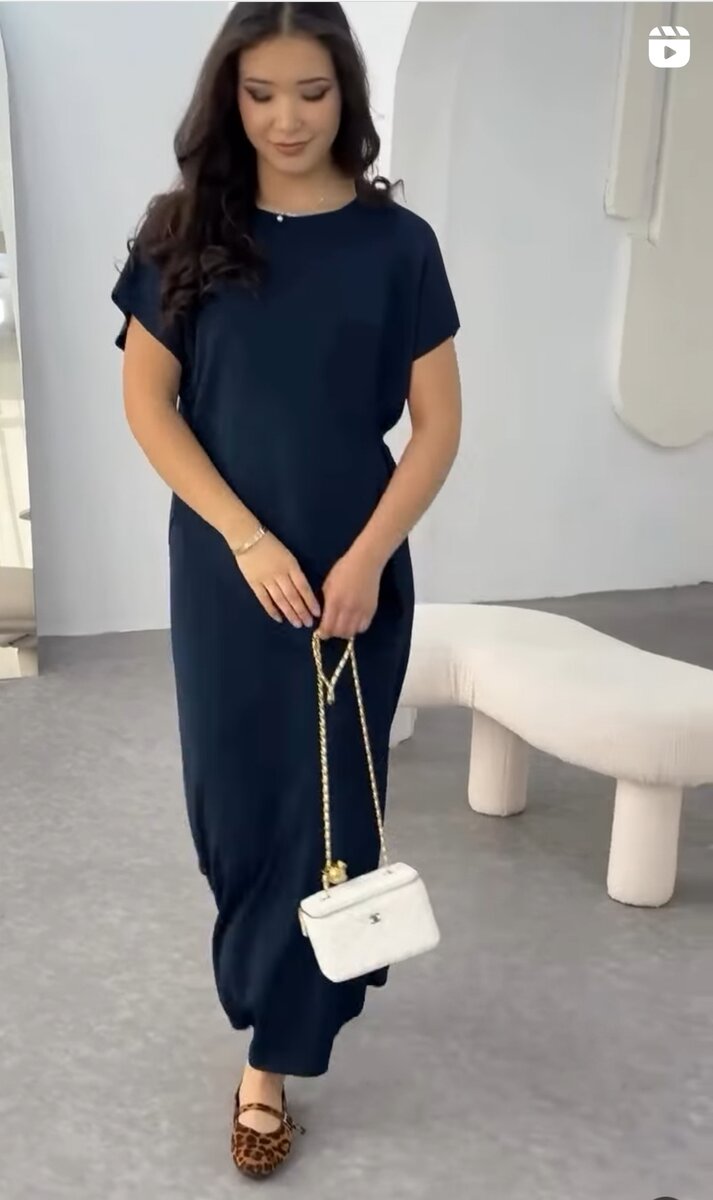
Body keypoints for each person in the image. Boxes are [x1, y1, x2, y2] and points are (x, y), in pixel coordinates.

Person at [111, 0, 461, 1179]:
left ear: (344, 94)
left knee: (328, 819)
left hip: (354, 576)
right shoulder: (178, 234)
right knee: (236, 811)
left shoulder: (396, 244)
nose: (286, 117)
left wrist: (364, 559)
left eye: (310, 92)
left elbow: (435, 427)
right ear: (230, 96)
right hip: (230, 578)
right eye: (260, 93)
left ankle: (269, 1061)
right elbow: (148, 405)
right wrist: (245, 539)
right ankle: (272, 993)